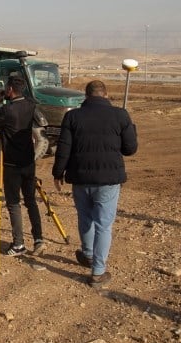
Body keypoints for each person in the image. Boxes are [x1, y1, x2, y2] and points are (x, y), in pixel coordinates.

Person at [52, 79, 137, 288]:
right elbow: (130, 149)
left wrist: (57, 172)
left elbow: (64, 147)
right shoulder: (120, 115)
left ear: (86, 96)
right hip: (108, 181)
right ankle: (97, 271)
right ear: (105, 94)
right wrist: (130, 128)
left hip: (80, 178)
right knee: (103, 224)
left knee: (85, 217)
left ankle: (88, 254)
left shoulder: (72, 116)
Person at [0, 75, 45, 256]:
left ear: (9, 90)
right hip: (28, 162)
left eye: (6, 89)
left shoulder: (7, 111)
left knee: (14, 203)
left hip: (12, 164)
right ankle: (39, 239)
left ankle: (18, 244)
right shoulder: (30, 105)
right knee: (31, 201)